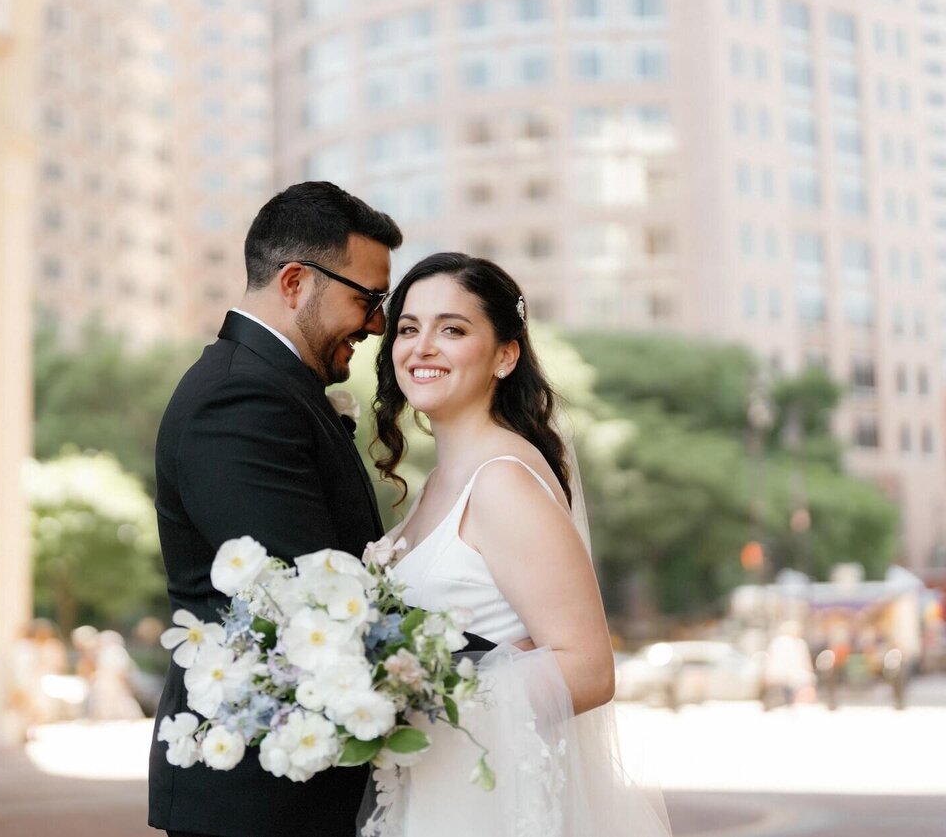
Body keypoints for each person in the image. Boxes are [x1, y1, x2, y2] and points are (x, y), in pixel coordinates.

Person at [363, 252, 671, 836]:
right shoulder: (440, 483)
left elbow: (588, 669)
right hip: (433, 784)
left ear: (505, 355)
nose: (422, 346)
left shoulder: (502, 480)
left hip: (484, 800)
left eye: (451, 329)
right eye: (409, 328)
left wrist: (410, 693)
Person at [148, 181, 402, 837]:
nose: (378, 325)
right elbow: (304, 593)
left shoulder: (280, 387)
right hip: (258, 798)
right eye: (368, 300)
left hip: (290, 791)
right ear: (294, 282)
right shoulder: (239, 400)